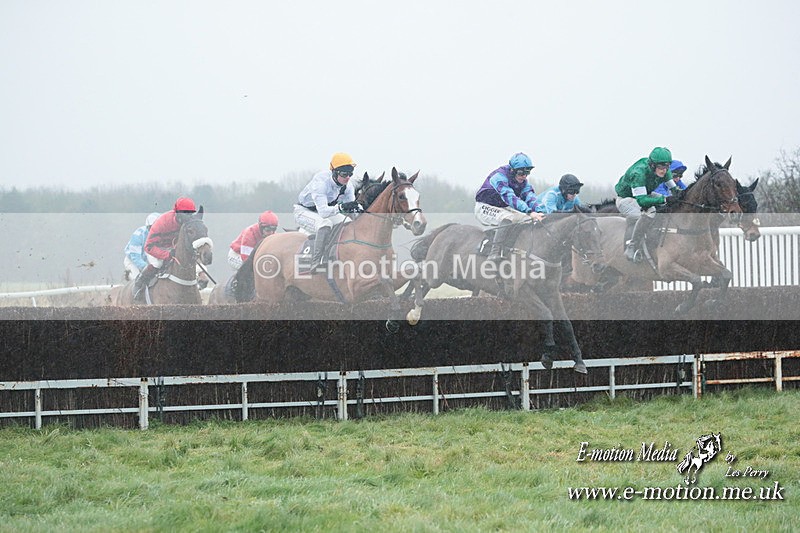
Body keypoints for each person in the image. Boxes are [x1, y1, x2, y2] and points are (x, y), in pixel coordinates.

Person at [294, 152, 362, 270]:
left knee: (347, 222)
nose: (347, 178)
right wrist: (341, 207)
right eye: (344, 174)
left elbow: (353, 208)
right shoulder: (321, 183)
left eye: (350, 174)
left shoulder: (348, 186)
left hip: (325, 210)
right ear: (334, 172)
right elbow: (324, 213)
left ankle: (331, 254)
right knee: (325, 224)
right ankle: (316, 260)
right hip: (304, 211)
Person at [474, 152, 545, 262]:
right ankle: (494, 252)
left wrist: (540, 212)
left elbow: (530, 197)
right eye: (521, 172)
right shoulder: (499, 177)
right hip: (484, 206)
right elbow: (509, 197)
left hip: (503, 207)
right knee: (508, 218)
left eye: (527, 172)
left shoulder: (524, 182)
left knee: (527, 219)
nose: (524, 176)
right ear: (512, 170)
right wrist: (530, 211)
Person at [615, 147, 679, 263]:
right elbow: (641, 201)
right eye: (661, 167)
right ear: (653, 165)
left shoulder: (665, 171)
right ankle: (632, 246)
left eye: (667, 167)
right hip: (626, 200)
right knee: (650, 212)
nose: (664, 171)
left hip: (645, 194)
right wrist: (664, 199)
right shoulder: (638, 174)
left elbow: (676, 191)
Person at [134, 197, 197, 297]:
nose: (188, 217)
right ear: (177, 213)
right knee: (157, 264)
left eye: (190, 214)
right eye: (186, 213)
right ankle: (140, 282)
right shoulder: (163, 222)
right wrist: (166, 254)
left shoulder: (189, 223)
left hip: (174, 248)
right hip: (156, 248)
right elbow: (148, 246)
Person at [123, 212, 160, 280]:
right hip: (132, 261)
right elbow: (135, 257)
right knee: (138, 279)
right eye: (153, 228)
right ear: (148, 227)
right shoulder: (138, 235)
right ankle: (130, 276)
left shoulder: (161, 236)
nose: (156, 231)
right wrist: (146, 267)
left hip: (148, 261)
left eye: (158, 228)